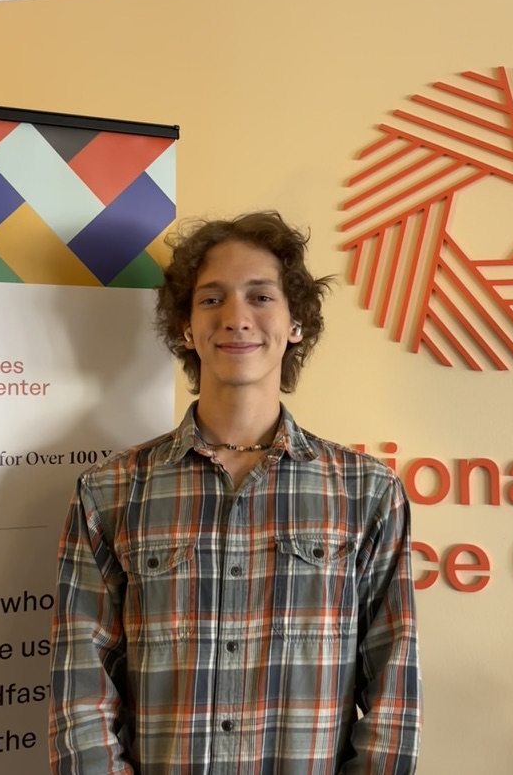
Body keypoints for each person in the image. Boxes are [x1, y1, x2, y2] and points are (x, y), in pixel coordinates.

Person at [49, 211, 421, 774]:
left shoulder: (367, 492)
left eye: (261, 297)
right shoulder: (111, 491)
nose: (236, 318)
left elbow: (394, 688)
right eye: (211, 299)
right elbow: (81, 686)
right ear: (186, 327)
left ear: (296, 324)